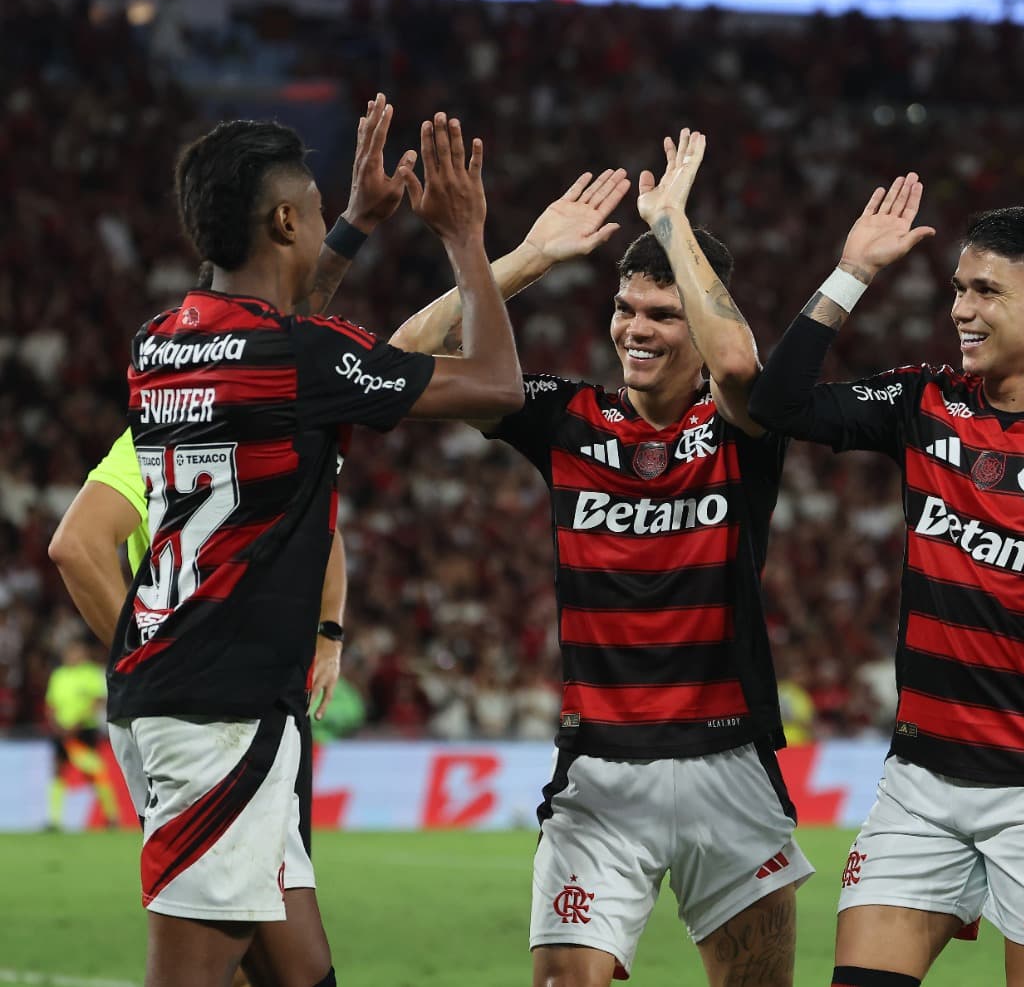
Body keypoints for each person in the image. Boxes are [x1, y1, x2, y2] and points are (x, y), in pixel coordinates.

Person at [107, 100, 523, 987]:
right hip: (222, 712)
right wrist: (465, 239)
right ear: (285, 218)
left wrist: (355, 227)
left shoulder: (158, 345)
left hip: (169, 685)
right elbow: (497, 386)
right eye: (315, 199)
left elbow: (283, 347)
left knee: (303, 974)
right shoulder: (298, 357)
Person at [748, 180, 1024, 987]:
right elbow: (778, 403)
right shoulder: (923, 400)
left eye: (986, 289)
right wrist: (850, 270)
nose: (960, 307)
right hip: (919, 784)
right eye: (958, 287)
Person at [392, 130, 812, 987]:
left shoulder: (744, 429)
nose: (637, 328)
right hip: (598, 772)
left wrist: (672, 221)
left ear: (697, 319)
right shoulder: (565, 417)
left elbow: (737, 360)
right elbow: (395, 366)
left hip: (724, 764)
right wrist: (527, 258)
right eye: (626, 308)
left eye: (664, 313)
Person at [51, 423, 347, 987]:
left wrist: (329, 633)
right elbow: (74, 544)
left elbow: (323, 528)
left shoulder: (159, 430)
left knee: (278, 950)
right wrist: (158, 663)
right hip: (217, 713)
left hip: (228, 709)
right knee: (234, 950)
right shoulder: (282, 424)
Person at [42, 636, 121, 830]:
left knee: (94, 771)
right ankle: (54, 820)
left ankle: (111, 817)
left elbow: (97, 701)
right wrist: (55, 724)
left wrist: (77, 723)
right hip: (61, 731)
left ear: (83, 654)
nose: (72, 656)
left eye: (76, 652)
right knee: (58, 771)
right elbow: (50, 704)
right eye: (69, 652)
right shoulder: (59, 675)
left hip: (83, 730)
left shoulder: (90, 673)